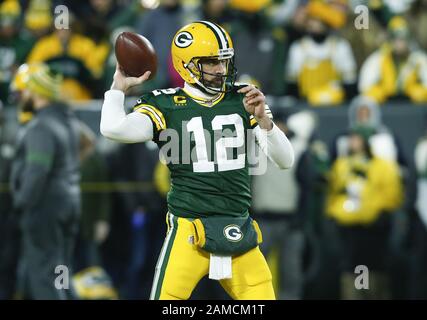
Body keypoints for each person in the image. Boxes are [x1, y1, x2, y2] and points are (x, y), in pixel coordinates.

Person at [100, 21, 294, 300]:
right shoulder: (165, 104)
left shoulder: (242, 99)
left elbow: (285, 160)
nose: (220, 69)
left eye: (224, 61)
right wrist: (118, 89)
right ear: (185, 64)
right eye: (211, 62)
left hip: (238, 228)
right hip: (188, 232)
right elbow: (113, 129)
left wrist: (265, 122)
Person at [11, 63, 81, 299]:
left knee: (44, 275)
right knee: (61, 271)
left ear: (39, 93)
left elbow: (37, 171)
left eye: (28, 90)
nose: (25, 96)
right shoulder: (69, 121)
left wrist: (21, 202)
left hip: (45, 208)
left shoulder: (40, 126)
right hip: (70, 202)